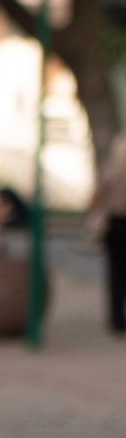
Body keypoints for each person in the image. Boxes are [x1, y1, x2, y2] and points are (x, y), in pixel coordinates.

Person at [98, 130, 126, 336]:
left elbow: (99, 195)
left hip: (115, 223)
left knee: (116, 272)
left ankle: (117, 318)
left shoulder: (111, 170)